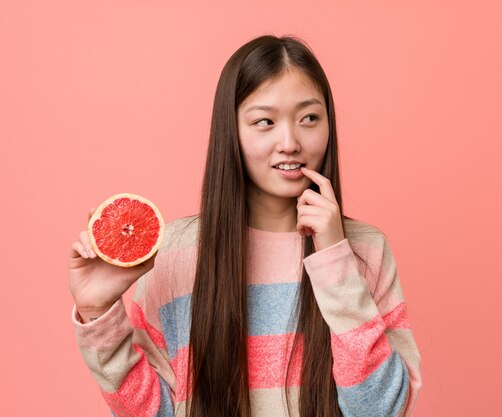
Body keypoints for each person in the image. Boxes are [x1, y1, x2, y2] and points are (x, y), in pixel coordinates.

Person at [69, 35, 422, 417]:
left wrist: (336, 261)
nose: (289, 142)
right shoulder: (177, 250)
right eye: (264, 122)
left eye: (309, 118)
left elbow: (381, 410)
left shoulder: (365, 249)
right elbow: (153, 412)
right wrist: (96, 313)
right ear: (231, 131)